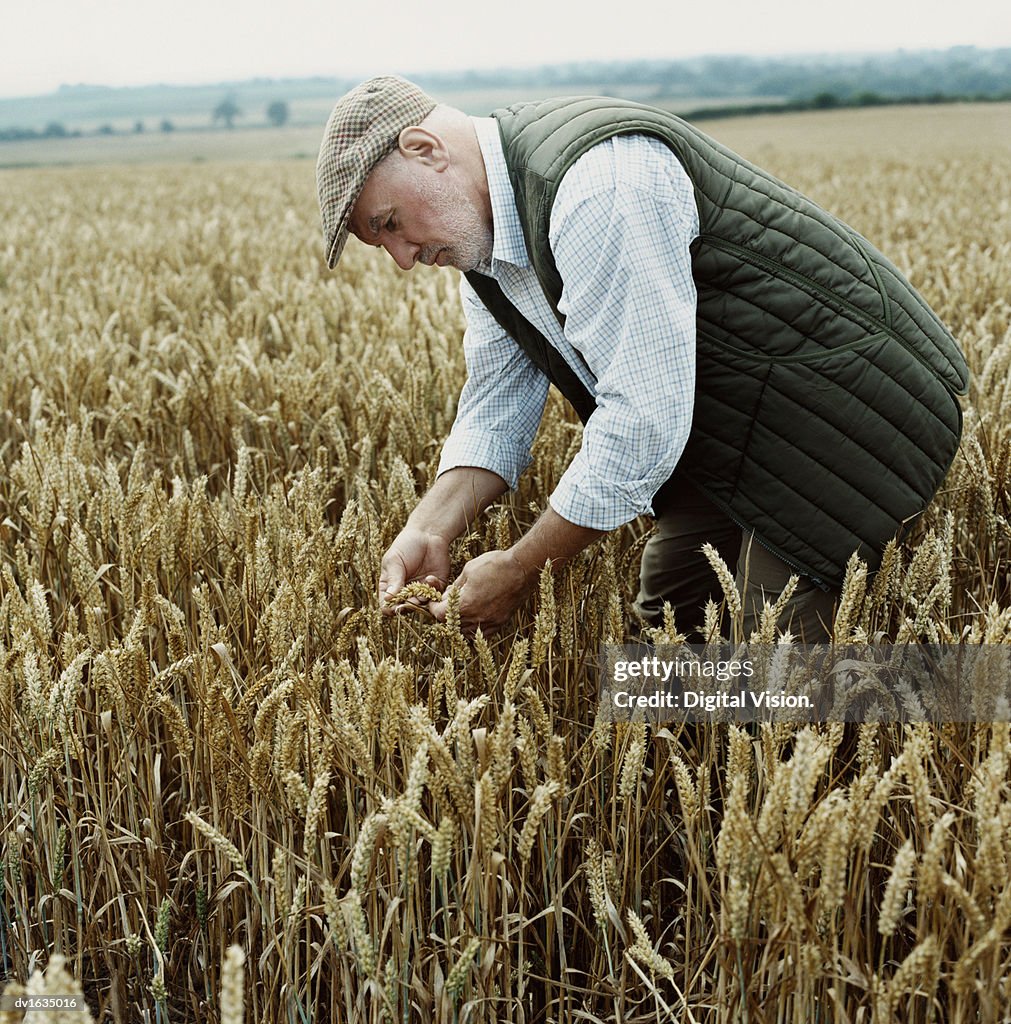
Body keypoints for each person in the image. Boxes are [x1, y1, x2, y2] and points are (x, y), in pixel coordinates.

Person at [316, 76, 968, 641]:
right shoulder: (485, 254)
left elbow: (642, 420)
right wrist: (429, 528)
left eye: (391, 223)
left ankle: (969, 719)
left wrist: (521, 567)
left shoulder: (596, 186)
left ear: (424, 150)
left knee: (777, 684)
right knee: (664, 659)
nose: (403, 259)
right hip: (728, 438)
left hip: (839, 418)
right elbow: (494, 410)